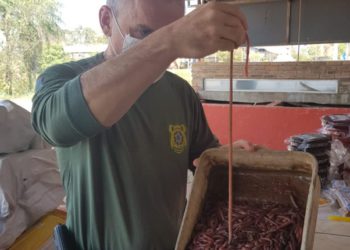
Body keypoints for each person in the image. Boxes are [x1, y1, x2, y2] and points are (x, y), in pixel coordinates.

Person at [32, 0, 251, 249]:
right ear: (106, 21)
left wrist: (227, 158)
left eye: (174, 29)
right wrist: (170, 41)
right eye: (145, 33)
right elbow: (54, 125)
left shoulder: (180, 93)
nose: (167, 47)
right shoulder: (62, 79)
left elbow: (204, 162)